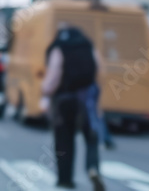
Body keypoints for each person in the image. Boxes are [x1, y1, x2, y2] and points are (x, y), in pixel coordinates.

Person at [41, 24, 105, 191]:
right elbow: (99, 69)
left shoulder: (59, 48)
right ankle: (93, 168)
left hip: (65, 101)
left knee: (64, 140)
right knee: (91, 137)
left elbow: (54, 74)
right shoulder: (88, 46)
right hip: (87, 100)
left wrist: (45, 91)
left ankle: (65, 179)